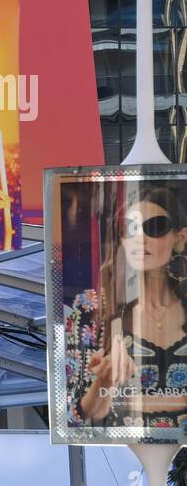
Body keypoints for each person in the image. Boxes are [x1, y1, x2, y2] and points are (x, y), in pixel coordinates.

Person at [68, 184, 187, 431]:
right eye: (130, 229)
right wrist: (105, 380)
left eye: (155, 227)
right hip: (123, 458)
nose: (140, 238)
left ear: (180, 238)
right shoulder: (92, 309)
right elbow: (76, 417)